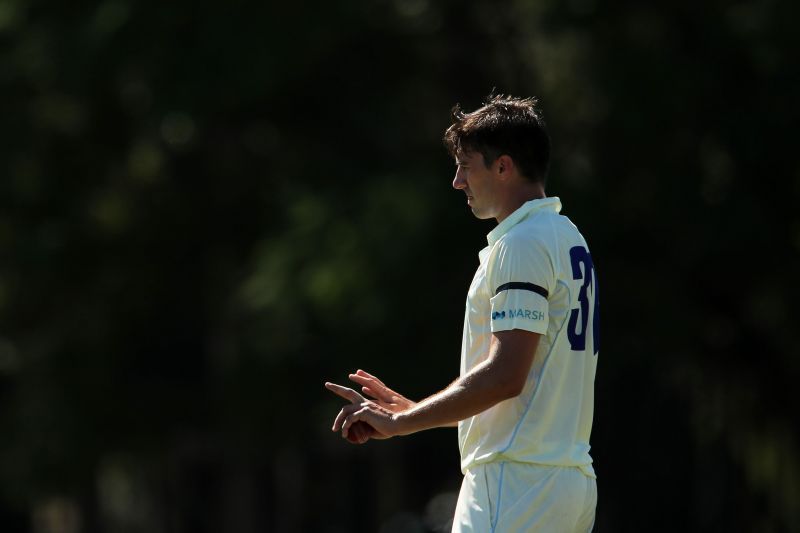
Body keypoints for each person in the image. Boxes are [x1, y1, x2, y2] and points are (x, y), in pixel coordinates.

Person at [325, 94, 599, 532]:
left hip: (515, 485)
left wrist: (401, 421)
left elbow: (506, 375)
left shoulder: (521, 243)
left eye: (465, 165)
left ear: (503, 167)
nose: (456, 181)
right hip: (566, 482)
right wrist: (418, 410)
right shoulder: (568, 236)